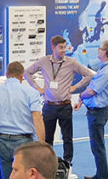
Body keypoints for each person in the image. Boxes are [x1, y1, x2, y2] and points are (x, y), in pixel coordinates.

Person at [23, 36, 94, 164]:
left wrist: (76, 87)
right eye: (61, 47)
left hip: (65, 106)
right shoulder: (44, 61)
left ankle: (68, 163)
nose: (63, 50)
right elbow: (27, 73)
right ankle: (47, 163)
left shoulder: (71, 62)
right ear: (53, 47)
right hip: (49, 106)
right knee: (47, 138)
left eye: (64, 47)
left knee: (67, 138)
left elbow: (89, 75)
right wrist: (38, 88)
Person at [73, 40, 108, 179]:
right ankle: (100, 174)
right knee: (96, 146)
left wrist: (80, 96)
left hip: (98, 112)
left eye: (100, 48)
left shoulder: (107, 71)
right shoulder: (106, 68)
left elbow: (92, 90)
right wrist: (82, 100)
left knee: (98, 147)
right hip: (97, 111)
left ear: (105, 52)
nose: (98, 50)